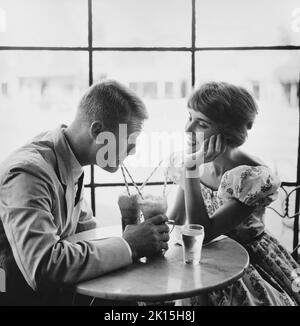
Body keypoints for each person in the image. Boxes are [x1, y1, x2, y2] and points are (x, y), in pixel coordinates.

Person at [0, 80, 169, 306]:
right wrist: (130, 244)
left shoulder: (69, 160)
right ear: (98, 131)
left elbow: (86, 234)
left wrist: (138, 241)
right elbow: (43, 266)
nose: (134, 150)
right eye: (129, 140)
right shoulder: (29, 173)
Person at [167, 81, 300, 306]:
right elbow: (177, 218)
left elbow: (204, 233)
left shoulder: (254, 177)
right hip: (201, 257)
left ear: (227, 132)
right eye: (189, 117)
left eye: (201, 124)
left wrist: (191, 172)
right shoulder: (192, 161)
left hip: (246, 261)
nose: (188, 129)